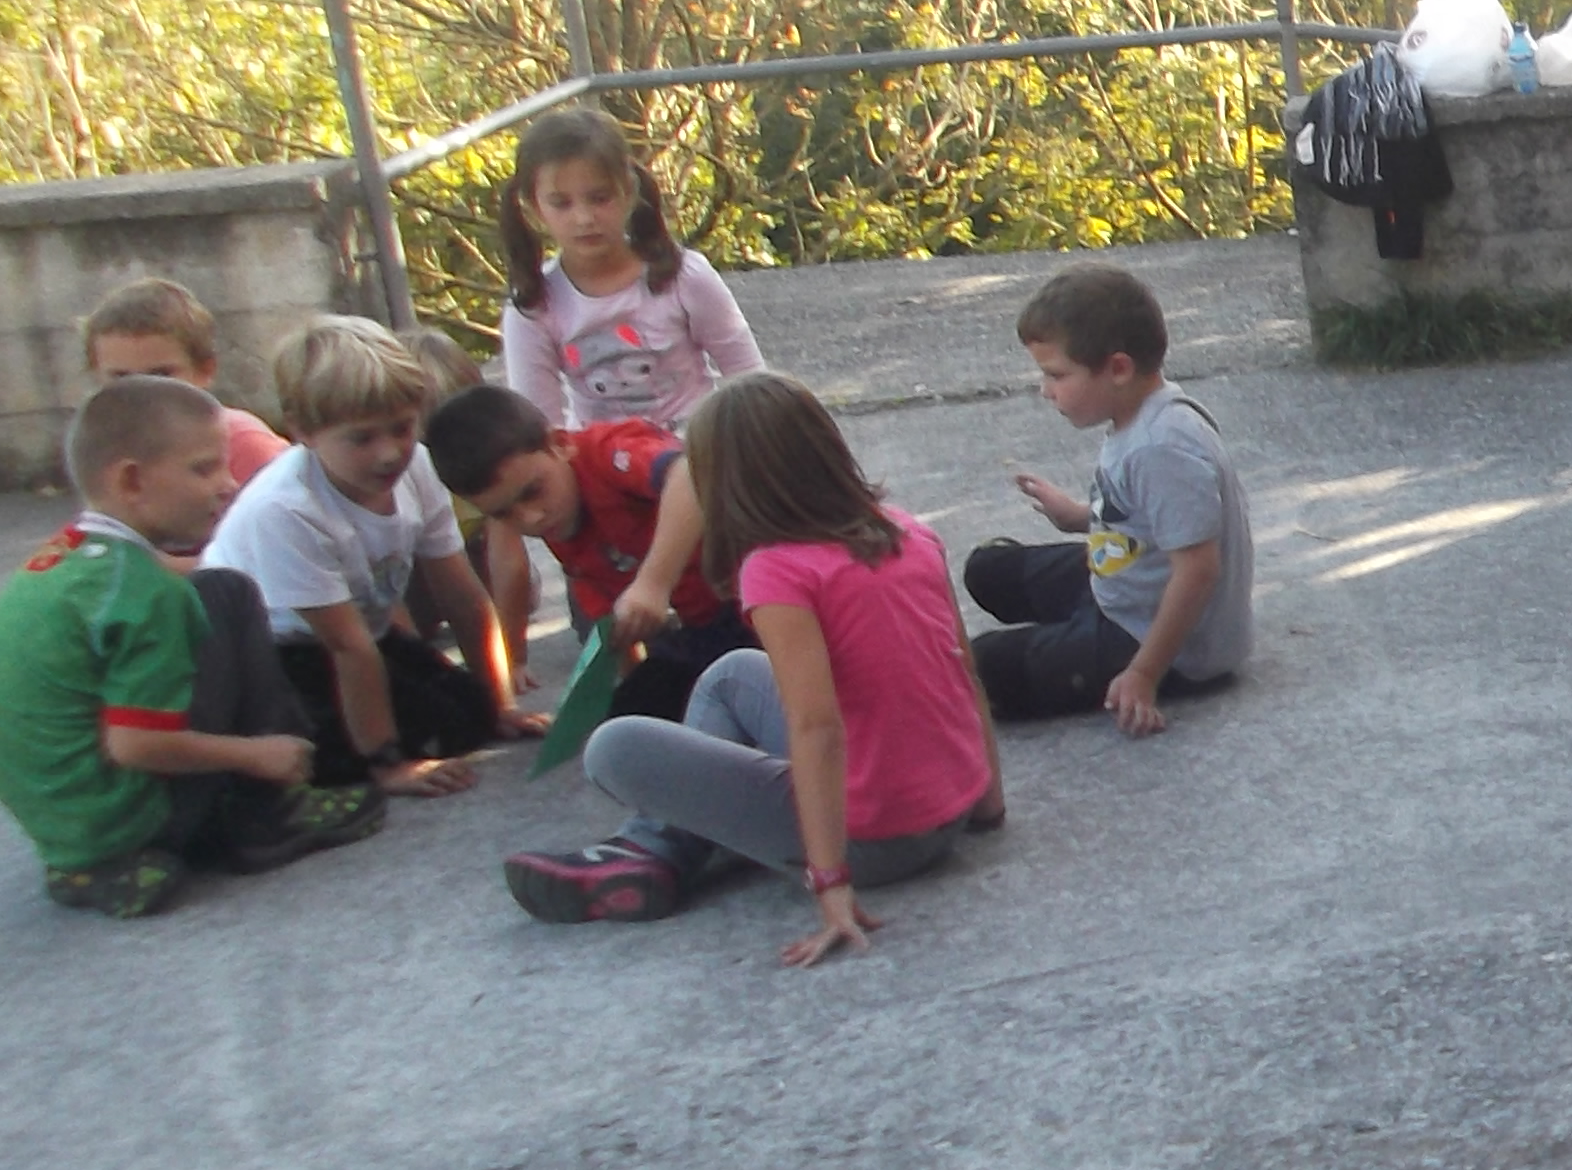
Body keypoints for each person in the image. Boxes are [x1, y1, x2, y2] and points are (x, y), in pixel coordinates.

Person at [521, 373, 1004, 958]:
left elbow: (816, 726)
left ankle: (655, 849)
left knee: (613, 747)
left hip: (876, 845)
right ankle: (661, 846)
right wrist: (987, 801)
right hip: (948, 811)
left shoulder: (775, 570)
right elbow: (962, 669)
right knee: (730, 675)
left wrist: (831, 883)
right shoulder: (909, 530)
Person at [0, 376, 383, 917]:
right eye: (203, 469)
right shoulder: (147, 595)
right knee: (226, 595)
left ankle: (88, 864)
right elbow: (135, 746)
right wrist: (256, 755)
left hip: (64, 824)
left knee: (217, 588)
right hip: (124, 814)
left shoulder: (73, 555)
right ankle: (271, 809)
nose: (229, 485)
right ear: (132, 480)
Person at [205, 314, 534, 794]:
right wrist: (389, 765)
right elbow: (347, 647)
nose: (389, 453)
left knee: (466, 716)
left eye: (401, 428)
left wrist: (500, 705)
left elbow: (462, 595)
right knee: (340, 756)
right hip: (273, 656)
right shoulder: (286, 508)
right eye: (362, 438)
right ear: (303, 430)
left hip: (361, 633)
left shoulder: (417, 465)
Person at [963, 263, 1254, 731]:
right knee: (987, 568)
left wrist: (1144, 673)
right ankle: (1067, 628)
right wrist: (1080, 517)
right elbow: (1145, 519)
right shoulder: (1141, 414)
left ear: (1118, 368)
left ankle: (1099, 649)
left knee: (980, 670)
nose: (1045, 391)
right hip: (1124, 583)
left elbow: (1199, 569)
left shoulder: (1161, 447)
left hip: (1161, 642)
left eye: (1057, 375)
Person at [421, 382, 747, 725]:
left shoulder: (605, 451)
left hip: (754, 602)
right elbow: (613, 623)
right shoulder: (559, 518)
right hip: (697, 632)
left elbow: (689, 473)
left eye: (532, 492)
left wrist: (654, 582)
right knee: (629, 721)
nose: (530, 518)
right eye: (504, 513)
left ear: (559, 444)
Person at [492, 103, 763, 430]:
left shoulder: (683, 277)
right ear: (535, 208)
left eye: (599, 198)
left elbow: (752, 382)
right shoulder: (532, 308)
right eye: (561, 203)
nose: (584, 218)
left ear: (628, 191)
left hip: (696, 445)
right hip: (600, 454)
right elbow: (542, 431)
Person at [79, 278, 289, 483]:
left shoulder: (244, 446)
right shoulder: (103, 453)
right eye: (122, 378)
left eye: (161, 376)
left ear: (205, 371)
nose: (141, 394)